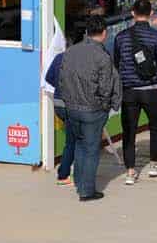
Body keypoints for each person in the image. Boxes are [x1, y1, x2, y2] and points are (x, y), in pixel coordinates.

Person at [56, 16, 120, 202]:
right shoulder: (103, 57)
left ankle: (79, 182)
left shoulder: (70, 52)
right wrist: (104, 106)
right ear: (104, 33)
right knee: (91, 149)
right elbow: (106, 87)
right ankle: (86, 190)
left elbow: (62, 80)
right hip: (92, 109)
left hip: (72, 107)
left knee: (79, 145)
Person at [112, 0, 157, 185]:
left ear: (132, 13)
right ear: (152, 13)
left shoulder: (121, 37)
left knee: (129, 131)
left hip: (129, 91)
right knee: (155, 127)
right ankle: (154, 164)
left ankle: (130, 171)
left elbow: (116, 63)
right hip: (151, 90)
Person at [44, 41, 74, 186]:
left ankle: (65, 173)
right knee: (75, 142)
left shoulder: (59, 58)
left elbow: (48, 77)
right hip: (74, 105)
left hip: (58, 104)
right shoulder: (81, 60)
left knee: (72, 140)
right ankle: (64, 174)